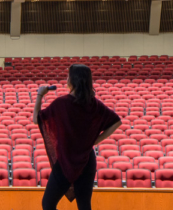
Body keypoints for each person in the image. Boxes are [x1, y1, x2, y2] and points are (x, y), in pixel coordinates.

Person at [34, 64, 122, 210]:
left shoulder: (61, 104)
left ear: (73, 80)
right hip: (86, 160)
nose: (66, 78)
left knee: (48, 204)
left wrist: (40, 95)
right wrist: (95, 141)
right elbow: (116, 122)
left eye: (68, 76)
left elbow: (36, 119)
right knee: (84, 206)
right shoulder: (94, 105)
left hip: (65, 160)